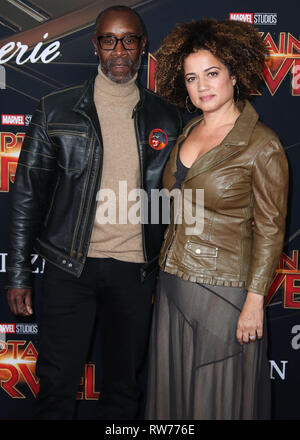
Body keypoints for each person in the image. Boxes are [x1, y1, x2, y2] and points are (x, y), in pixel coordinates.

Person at [5, 5, 181, 420]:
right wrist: (18, 274)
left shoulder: (167, 116)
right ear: (95, 46)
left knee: (123, 390)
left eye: (129, 40)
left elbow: (179, 199)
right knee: (56, 386)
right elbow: (26, 198)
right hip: (70, 267)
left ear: (142, 47)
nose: (119, 50)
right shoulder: (55, 109)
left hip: (135, 271)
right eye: (109, 40)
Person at [145, 19, 289, 420]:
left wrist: (254, 302)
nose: (202, 86)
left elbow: (271, 228)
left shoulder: (262, 143)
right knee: (172, 402)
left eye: (212, 73)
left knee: (217, 402)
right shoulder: (188, 129)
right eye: (192, 78)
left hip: (224, 293)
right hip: (173, 285)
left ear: (234, 75)